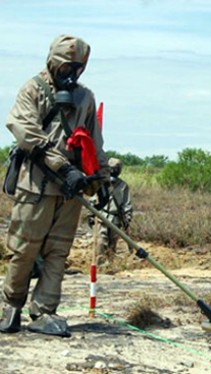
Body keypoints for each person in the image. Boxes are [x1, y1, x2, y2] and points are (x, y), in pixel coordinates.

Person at [0, 35, 109, 337]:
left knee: (58, 253)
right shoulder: (33, 89)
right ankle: (11, 306)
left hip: (71, 190)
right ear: (52, 61)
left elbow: (94, 142)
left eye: (77, 68)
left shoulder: (85, 97)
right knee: (24, 250)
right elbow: (25, 131)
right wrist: (62, 167)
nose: (71, 74)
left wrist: (101, 180)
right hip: (35, 186)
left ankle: (44, 311)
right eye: (66, 67)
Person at [89, 158, 133, 264]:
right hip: (102, 216)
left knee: (112, 243)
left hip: (116, 218)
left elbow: (127, 203)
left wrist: (127, 217)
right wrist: (91, 215)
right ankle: (100, 264)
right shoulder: (101, 182)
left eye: (116, 168)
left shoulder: (123, 186)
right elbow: (93, 199)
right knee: (100, 241)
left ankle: (110, 263)